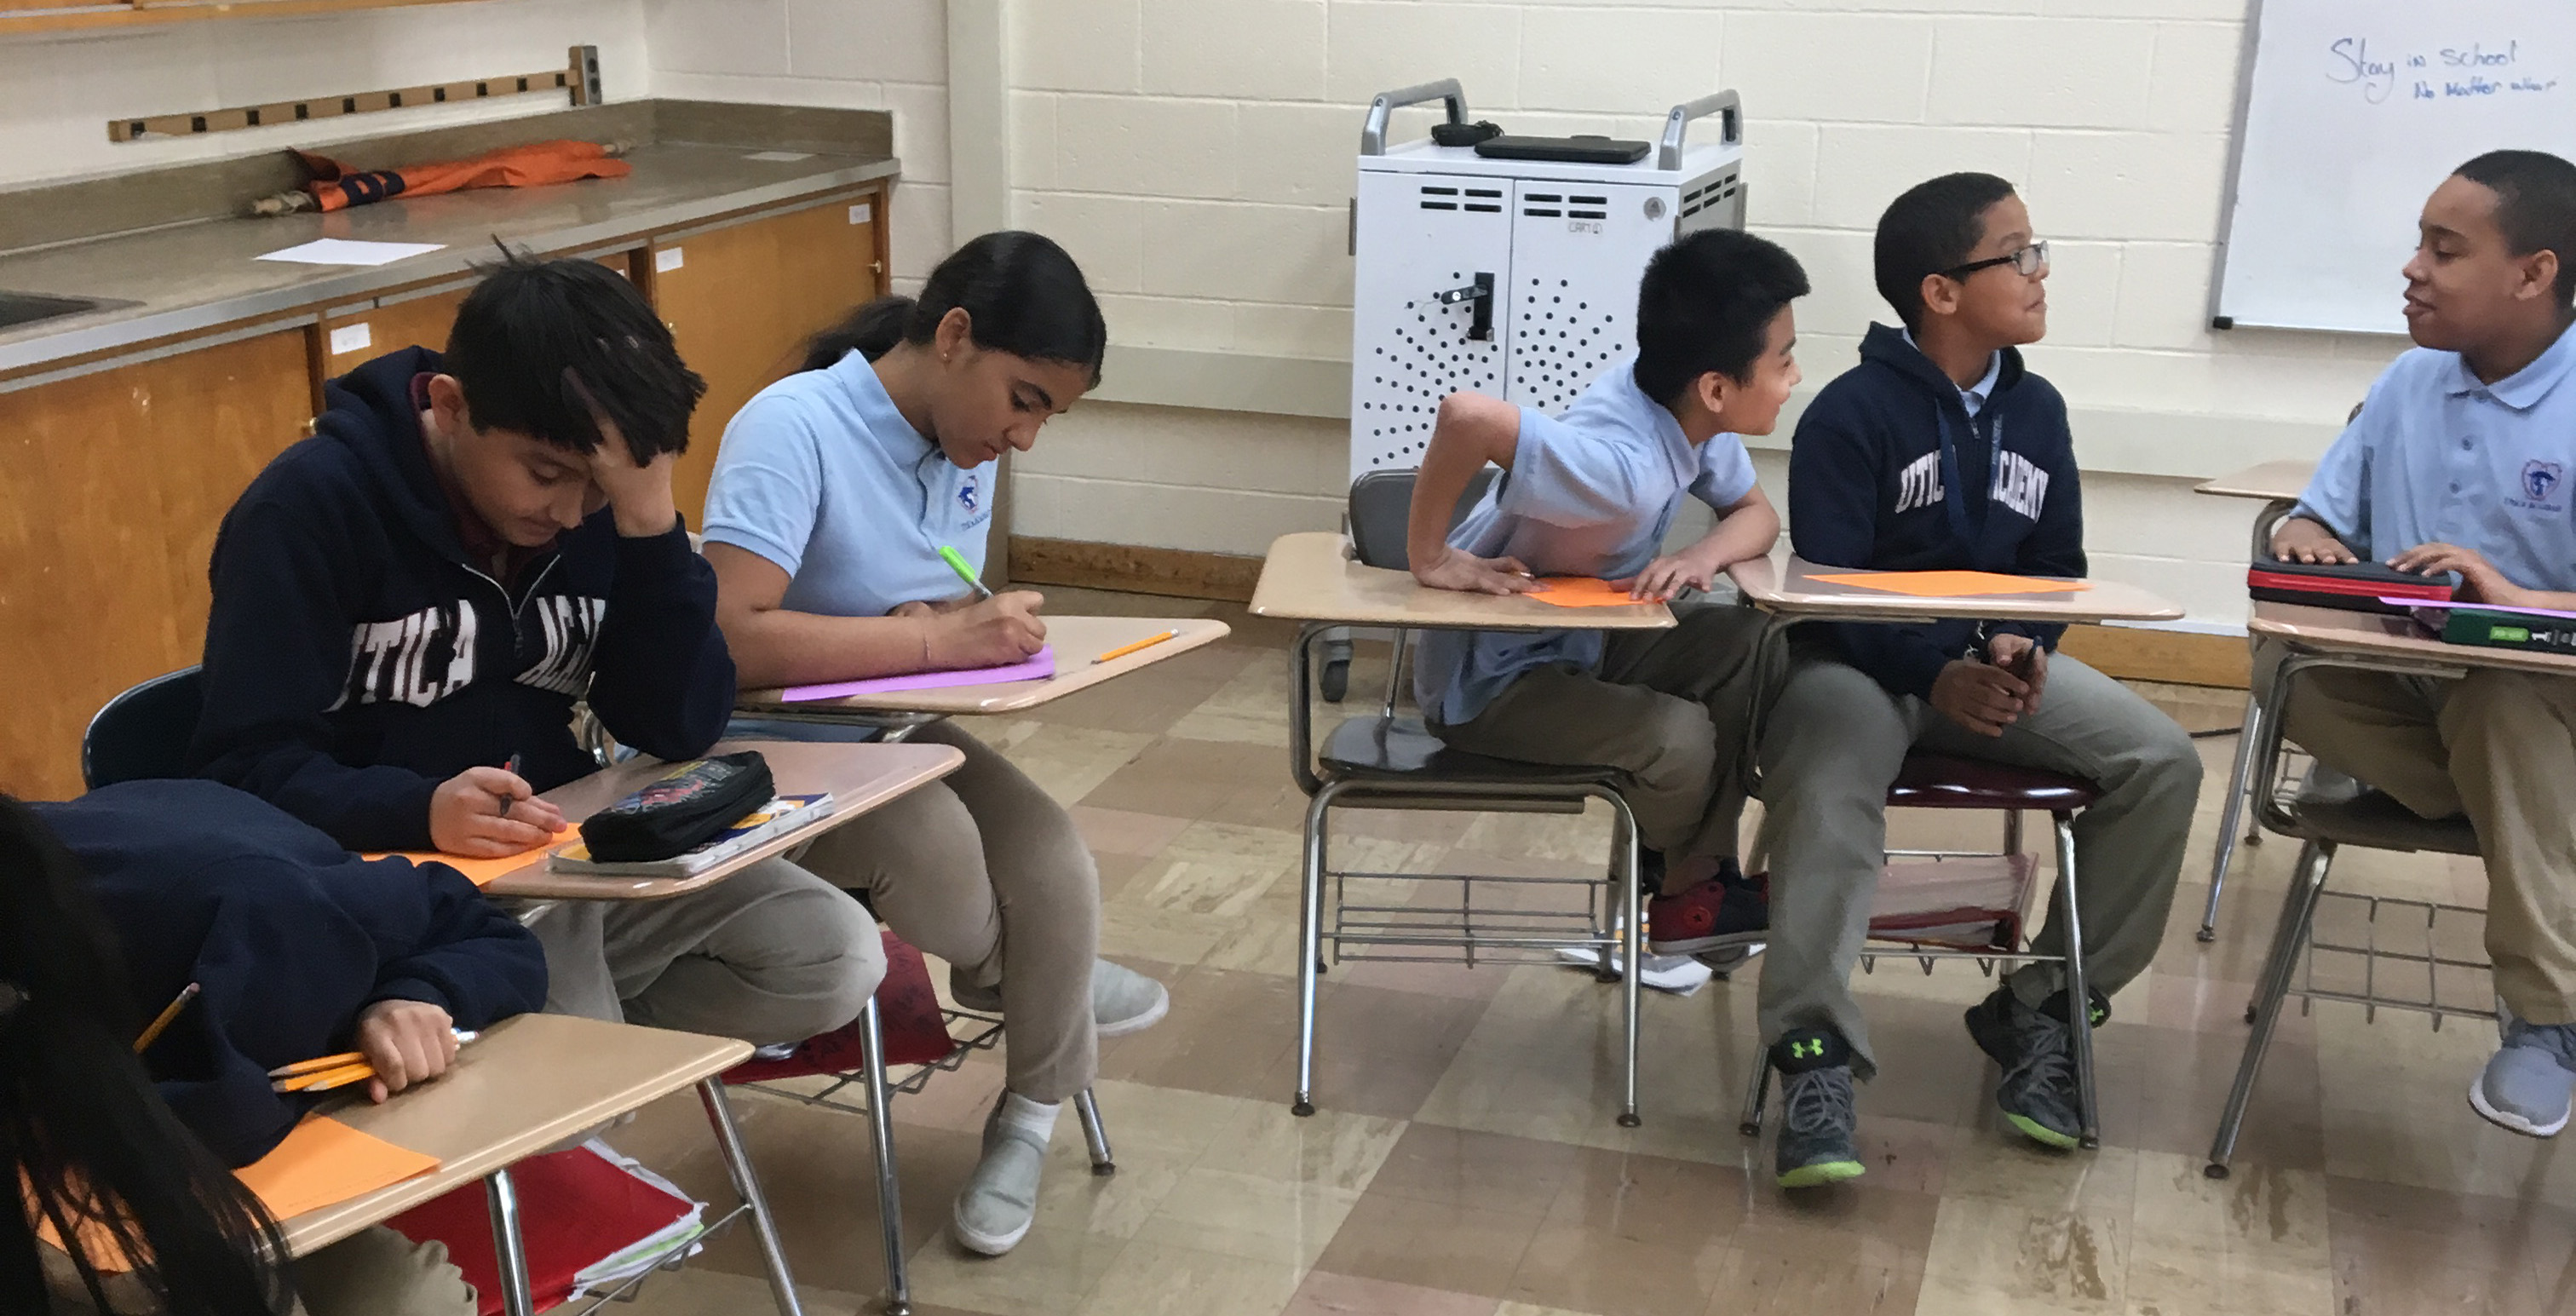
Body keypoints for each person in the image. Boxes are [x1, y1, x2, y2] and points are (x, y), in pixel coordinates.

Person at [187, 253, 882, 1050]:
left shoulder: (604, 511)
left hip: (566, 859)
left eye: (601, 486)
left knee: (831, 954)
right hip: (403, 889)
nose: (572, 512)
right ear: (450, 406)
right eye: (547, 473)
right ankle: (550, 1071)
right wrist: (418, 807)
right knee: (583, 1042)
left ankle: (558, 1065)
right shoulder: (308, 508)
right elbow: (240, 769)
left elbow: (679, 725)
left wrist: (650, 525)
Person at [699, 231, 1166, 1257]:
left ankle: (1027, 1121)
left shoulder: (963, 441)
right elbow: (728, 637)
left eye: (1047, 415)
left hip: (888, 724)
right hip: (768, 752)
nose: (1024, 437)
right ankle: (1054, 977)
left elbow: (925, 601)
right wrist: (935, 638)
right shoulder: (790, 427)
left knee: (1052, 859)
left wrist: (961, 623)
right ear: (953, 336)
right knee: (940, 853)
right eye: (1023, 401)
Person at [1757, 173, 2201, 1187]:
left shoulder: (2036, 411)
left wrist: (2021, 645)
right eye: (2019, 254)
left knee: (2162, 762)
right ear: (1942, 292)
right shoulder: (1848, 415)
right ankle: (1813, 1056)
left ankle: (2043, 1005)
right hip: (1858, 667)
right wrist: (1936, 671)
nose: (2041, 273)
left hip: (1984, 673)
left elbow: (2055, 565)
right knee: (1827, 783)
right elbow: (1829, 592)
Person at [2264, 149, 2576, 1138]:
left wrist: (2519, 599)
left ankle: (2547, 1020)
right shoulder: (2408, 380)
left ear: (2534, 273)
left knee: (2500, 698)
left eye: (2446, 250)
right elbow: (2318, 513)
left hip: (2546, 699)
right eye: (2419, 244)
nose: (2413, 268)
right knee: (2286, 670)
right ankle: (2518, 817)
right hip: (2415, 691)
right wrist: (2307, 538)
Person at [9, 779, 551, 1315]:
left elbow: (484, 930)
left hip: (233, 1147)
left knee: (406, 1300)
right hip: (103, 1149)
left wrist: (414, 994)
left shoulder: (270, 906)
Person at [1402, 227, 1805, 948]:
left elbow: (1757, 516)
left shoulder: (1687, 410)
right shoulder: (1622, 469)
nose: (1795, 376)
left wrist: (1702, 555)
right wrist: (1429, 556)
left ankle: (1694, 883)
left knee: (1754, 643)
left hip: (1581, 638)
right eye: (1784, 360)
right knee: (1681, 741)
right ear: (1717, 388)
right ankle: (1682, 873)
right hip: (1488, 684)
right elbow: (1465, 416)